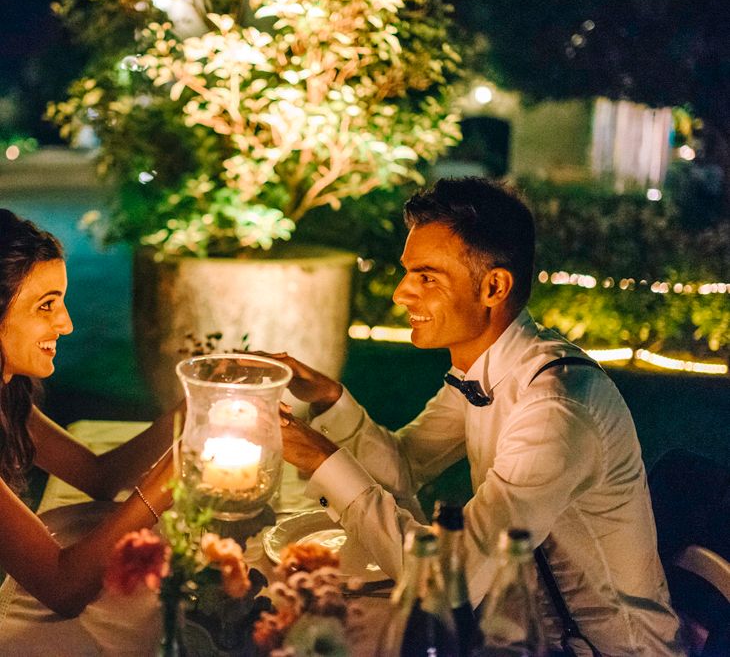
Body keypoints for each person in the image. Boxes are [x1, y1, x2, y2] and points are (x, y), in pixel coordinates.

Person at [270, 178, 685, 655]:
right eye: (408, 273)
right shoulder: (487, 372)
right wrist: (328, 401)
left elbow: (451, 580)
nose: (401, 294)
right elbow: (403, 466)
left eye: (426, 277)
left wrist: (323, 459)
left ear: (493, 286)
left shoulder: (555, 408)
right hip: (523, 631)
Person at [0, 209, 176, 618]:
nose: (66, 324)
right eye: (46, 306)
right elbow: (62, 587)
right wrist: (171, 482)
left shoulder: (8, 393)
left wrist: (196, 408)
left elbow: (98, 476)